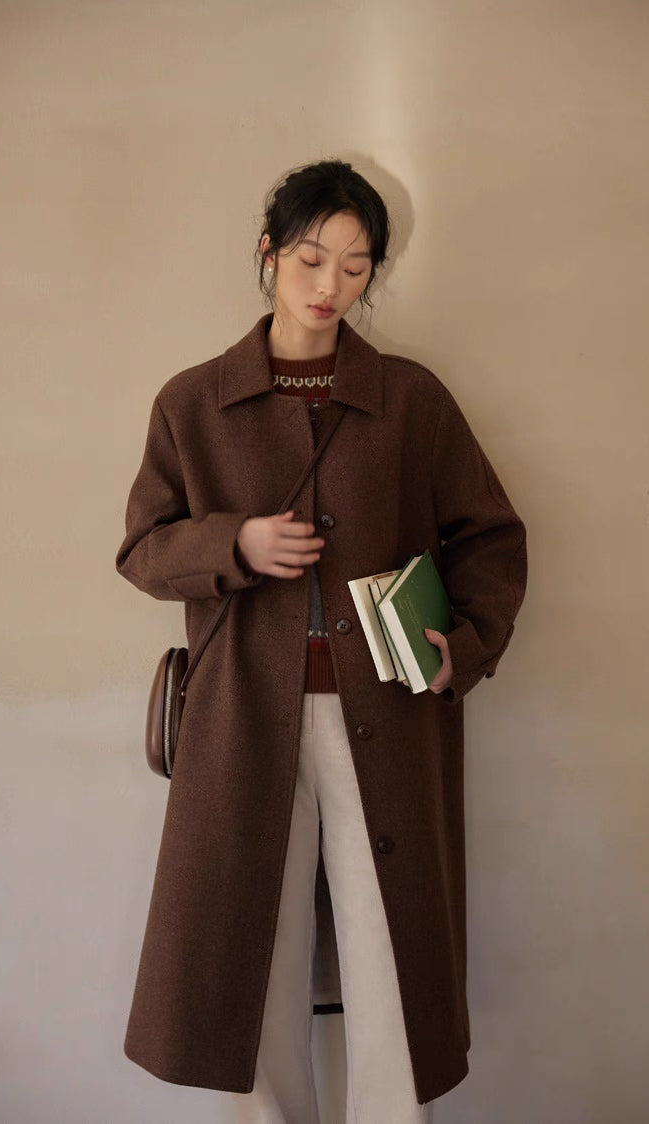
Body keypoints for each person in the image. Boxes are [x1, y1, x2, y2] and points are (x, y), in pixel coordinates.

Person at [116, 159, 527, 1123]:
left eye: (354, 266)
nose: (329, 284)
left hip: (383, 708)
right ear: (269, 254)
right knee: (248, 945)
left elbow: (490, 537)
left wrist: (457, 648)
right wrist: (237, 542)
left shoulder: (411, 399)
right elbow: (141, 549)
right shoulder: (193, 402)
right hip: (242, 717)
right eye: (310, 257)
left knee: (391, 942)